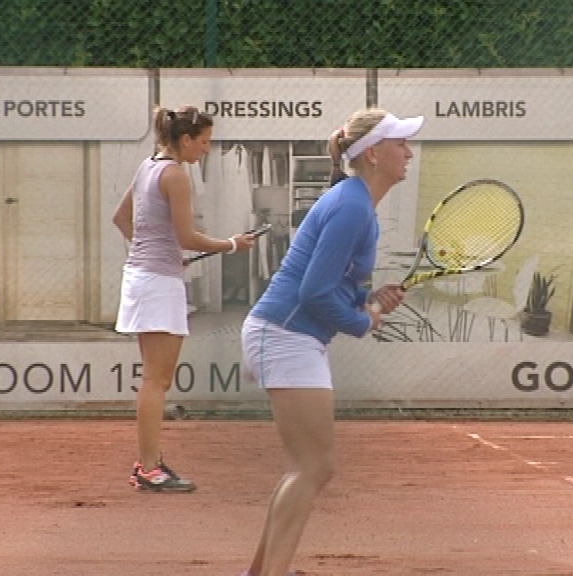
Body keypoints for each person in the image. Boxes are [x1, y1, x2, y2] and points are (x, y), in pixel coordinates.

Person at [239, 108, 421, 575]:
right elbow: (313, 292)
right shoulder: (352, 207)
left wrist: (367, 297)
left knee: (309, 467)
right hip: (284, 334)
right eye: (401, 143)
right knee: (313, 467)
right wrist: (363, 321)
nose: (409, 152)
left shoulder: (357, 204)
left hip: (290, 335)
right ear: (374, 154)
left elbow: (331, 281)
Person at [113, 105, 255, 492]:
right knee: (156, 381)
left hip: (146, 278)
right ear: (186, 140)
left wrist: (152, 249)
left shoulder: (148, 167)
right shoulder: (174, 175)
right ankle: (148, 469)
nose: (206, 150)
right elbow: (188, 238)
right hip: (156, 283)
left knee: (155, 379)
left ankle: (149, 463)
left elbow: (121, 219)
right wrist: (231, 244)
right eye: (204, 142)